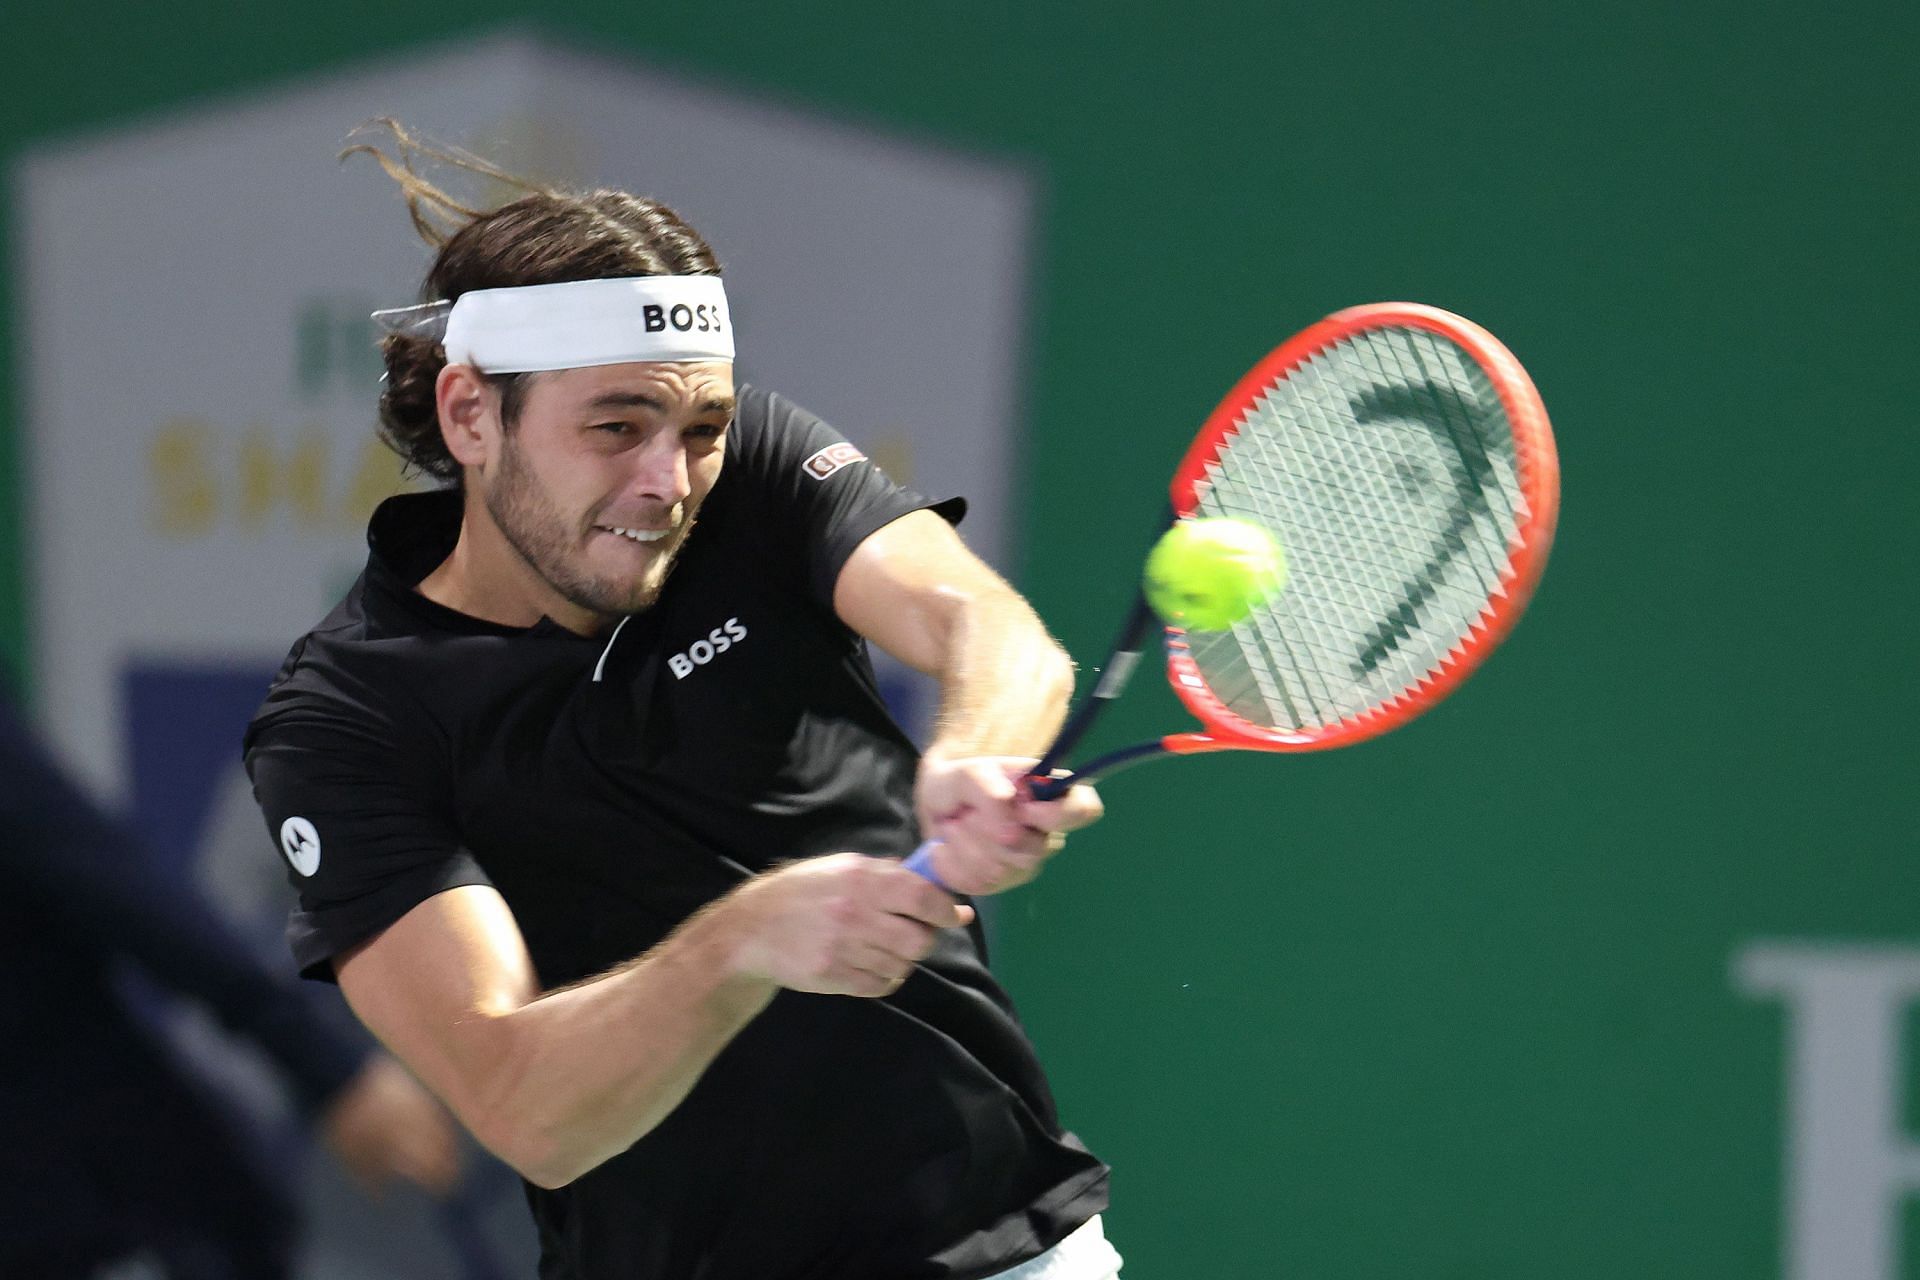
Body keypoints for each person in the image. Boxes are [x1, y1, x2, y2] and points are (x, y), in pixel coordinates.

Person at [245, 125, 1121, 1280]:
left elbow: (989, 630)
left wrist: (972, 750)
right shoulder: (345, 717)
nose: (667, 481)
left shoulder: (750, 473)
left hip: (1009, 1250)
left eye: (699, 428)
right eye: (614, 427)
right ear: (469, 415)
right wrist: (744, 943)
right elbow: (523, 1103)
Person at [0, 689, 462, 1278]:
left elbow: (119, 892)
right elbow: (120, 891)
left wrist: (325, 1068)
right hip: (83, 1205)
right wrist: (326, 1068)